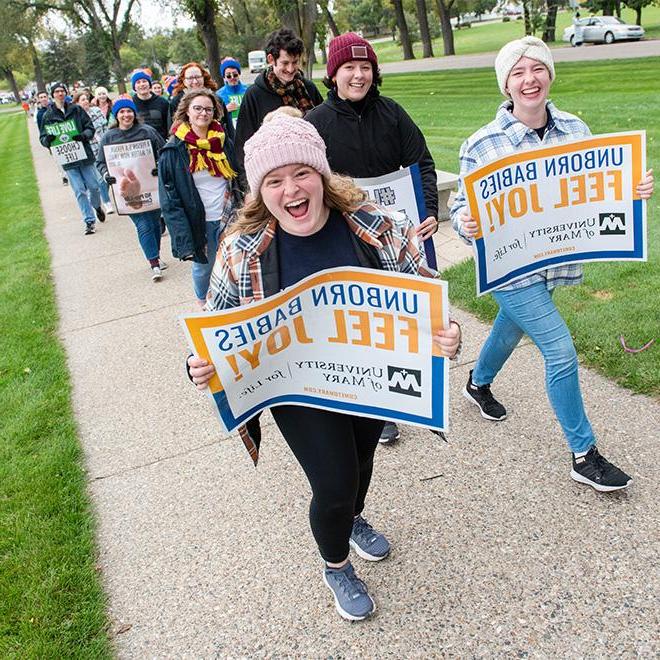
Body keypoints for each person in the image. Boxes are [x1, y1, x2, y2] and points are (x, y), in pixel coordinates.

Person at [188, 109, 462, 621]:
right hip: (298, 390)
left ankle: (354, 517)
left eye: (301, 173)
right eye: (275, 180)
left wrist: (447, 334)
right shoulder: (242, 252)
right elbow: (215, 326)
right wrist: (199, 365)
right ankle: (335, 564)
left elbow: (426, 297)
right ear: (260, 190)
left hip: (370, 379)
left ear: (322, 175)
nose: (291, 189)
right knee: (333, 482)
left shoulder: (375, 226)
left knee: (361, 464)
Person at [451, 37, 654, 492]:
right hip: (509, 269)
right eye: (518, 73)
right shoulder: (482, 144)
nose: (529, 80)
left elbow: (596, 191)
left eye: (537, 69)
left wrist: (630, 191)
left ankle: (477, 384)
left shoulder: (575, 130)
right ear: (506, 83)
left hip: (552, 265)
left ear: (549, 75)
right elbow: (464, 213)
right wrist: (467, 224)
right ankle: (584, 454)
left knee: (510, 326)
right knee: (560, 351)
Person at [306, 32, 440, 445]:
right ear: (334, 73)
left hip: (389, 234)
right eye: (349, 67)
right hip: (342, 237)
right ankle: (370, 406)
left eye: (365, 67)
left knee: (392, 316)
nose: (359, 75)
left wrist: (429, 210)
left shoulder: (393, 114)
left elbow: (421, 162)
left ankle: (395, 391)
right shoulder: (316, 123)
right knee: (355, 321)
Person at [159, 88, 239, 306]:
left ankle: (231, 303)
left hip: (229, 216)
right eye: (198, 108)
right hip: (199, 221)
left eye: (208, 109)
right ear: (187, 112)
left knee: (234, 263)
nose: (203, 113)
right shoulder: (173, 150)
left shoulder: (222, 142)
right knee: (204, 266)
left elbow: (237, 177)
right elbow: (170, 200)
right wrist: (182, 238)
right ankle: (203, 303)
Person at [96, 97, 167, 280]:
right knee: (143, 225)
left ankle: (155, 255)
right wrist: (106, 175)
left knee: (154, 224)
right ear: (116, 115)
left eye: (129, 111)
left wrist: (158, 165)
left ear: (134, 114)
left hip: (150, 186)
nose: (126, 115)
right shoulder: (108, 137)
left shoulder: (147, 132)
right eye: (122, 112)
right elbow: (101, 162)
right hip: (127, 192)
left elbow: (164, 152)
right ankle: (154, 263)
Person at [234, 28, 323, 171]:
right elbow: (243, 146)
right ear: (271, 59)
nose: (291, 69)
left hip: (311, 167)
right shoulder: (254, 95)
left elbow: (324, 127)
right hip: (273, 173)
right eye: (285, 63)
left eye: (295, 62)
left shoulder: (308, 88)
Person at [39, 81, 105, 234]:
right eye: (57, 92)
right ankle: (89, 221)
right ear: (52, 95)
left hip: (84, 155)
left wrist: (84, 136)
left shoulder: (76, 110)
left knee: (94, 186)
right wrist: (47, 141)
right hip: (67, 158)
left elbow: (90, 127)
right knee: (79, 191)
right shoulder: (49, 115)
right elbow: (43, 136)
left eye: (62, 91)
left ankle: (96, 206)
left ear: (66, 93)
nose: (60, 94)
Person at [73, 90, 114, 215]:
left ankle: (102, 197)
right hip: (90, 150)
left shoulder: (96, 111)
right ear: (76, 103)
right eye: (82, 100)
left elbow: (105, 128)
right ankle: (106, 202)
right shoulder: (75, 117)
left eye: (86, 99)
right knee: (99, 179)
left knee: (106, 175)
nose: (85, 101)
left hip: (102, 145)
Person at [131, 70, 171, 140]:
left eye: (144, 81)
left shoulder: (162, 102)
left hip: (160, 143)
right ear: (134, 87)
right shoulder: (130, 104)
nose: (142, 84)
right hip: (138, 144)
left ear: (149, 84)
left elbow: (169, 125)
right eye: (138, 82)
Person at [217, 58, 249, 129]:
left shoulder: (248, 90)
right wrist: (224, 110)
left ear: (239, 74)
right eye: (228, 76)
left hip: (248, 127)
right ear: (224, 77)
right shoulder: (219, 95)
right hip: (230, 130)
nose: (232, 78)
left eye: (235, 75)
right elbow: (215, 116)